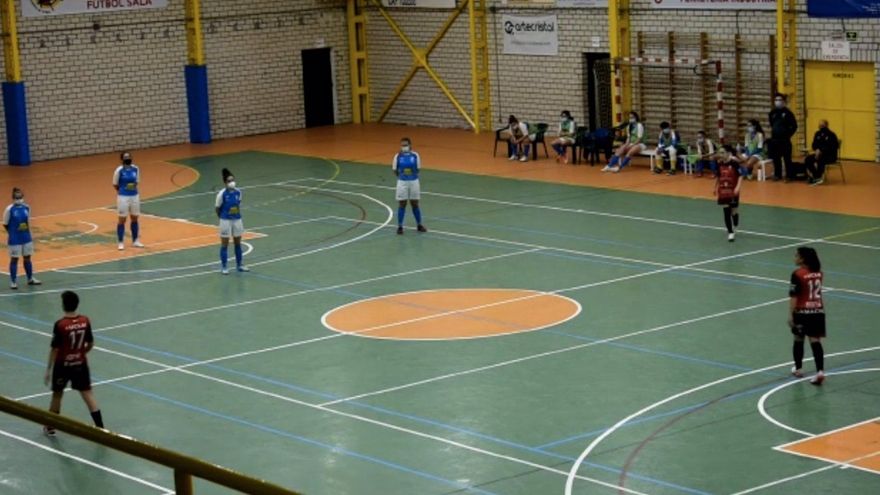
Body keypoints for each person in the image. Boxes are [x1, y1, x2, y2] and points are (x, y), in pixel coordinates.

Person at [43, 291, 104, 436]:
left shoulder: (60, 324)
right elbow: (90, 343)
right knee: (88, 394)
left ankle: (51, 426)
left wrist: (48, 369)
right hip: (80, 364)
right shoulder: (85, 320)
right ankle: (101, 428)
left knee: (57, 395)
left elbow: (55, 349)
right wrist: (81, 353)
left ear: (63, 305)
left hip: (62, 365)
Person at [789, 247, 826, 385]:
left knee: (798, 338)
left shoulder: (798, 274)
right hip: (818, 310)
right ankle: (820, 371)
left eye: (796, 255)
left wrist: (791, 315)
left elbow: (794, 296)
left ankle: (798, 369)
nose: (794, 258)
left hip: (802, 311)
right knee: (815, 341)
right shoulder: (818, 273)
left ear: (802, 258)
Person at [3, 187, 40, 290]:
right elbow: (5, 223)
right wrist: (12, 233)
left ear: (23, 197)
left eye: (20, 197)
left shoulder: (27, 208)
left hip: (26, 237)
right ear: (13, 198)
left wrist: (28, 233)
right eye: (16, 197)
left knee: (27, 257)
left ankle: (30, 279)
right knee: (14, 259)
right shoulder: (9, 209)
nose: (18, 199)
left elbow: (27, 221)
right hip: (15, 239)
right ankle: (13, 282)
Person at [215, 168, 249, 275]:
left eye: (233, 180)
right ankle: (224, 266)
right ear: (225, 182)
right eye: (229, 181)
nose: (232, 182)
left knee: (237, 243)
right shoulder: (221, 194)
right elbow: (217, 208)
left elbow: (238, 204)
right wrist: (223, 218)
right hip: (225, 221)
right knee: (224, 244)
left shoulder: (238, 192)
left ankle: (239, 265)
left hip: (237, 219)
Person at [392, 137, 427, 235]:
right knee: (402, 203)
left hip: (414, 182)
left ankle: (419, 225)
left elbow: (418, 168)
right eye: (402, 145)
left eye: (406, 145)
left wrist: (411, 176)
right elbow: (395, 169)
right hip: (402, 182)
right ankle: (400, 226)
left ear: (410, 145)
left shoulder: (415, 155)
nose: (404, 147)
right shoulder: (397, 156)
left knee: (415, 203)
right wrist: (402, 177)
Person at [112, 151, 144, 250]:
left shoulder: (136, 168)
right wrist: (122, 191)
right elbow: (115, 184)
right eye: (126, 158)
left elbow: (137, 182)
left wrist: (131, 188)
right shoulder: (119, 170)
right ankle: (120, 242)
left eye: (129, 157)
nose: (128, 159)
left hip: (134, 196)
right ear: (122, 160)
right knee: (122, 219)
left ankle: (135, 241)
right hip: (123, 197)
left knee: (135, 217)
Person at [713, 145, 743, 242]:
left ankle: (735, 223)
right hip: (723, 190)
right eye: (719, 153)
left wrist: (738, 187)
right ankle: (730, 232)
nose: (720, 155)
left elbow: (741, 176)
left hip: (733, 190)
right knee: (726, 211)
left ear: (728, 153)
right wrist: (714, 187)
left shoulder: (734, 163)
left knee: (734, 211)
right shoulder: (719, 164)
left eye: (722, 153)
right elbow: (718, 176)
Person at [767, 93, 798, 181]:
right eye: (776, 100)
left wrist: (788, 134)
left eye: (779, 100)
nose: (777, 102)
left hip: (785, 140)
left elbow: (794, 126)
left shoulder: (788, 113)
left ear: (784, 102)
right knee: (776, 158)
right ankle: (777, 175)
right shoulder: (772, 113)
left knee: (787, 158)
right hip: (775, 140)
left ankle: (789, 176)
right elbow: (772, 123)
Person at [805, 120, 839, 186]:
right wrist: (817, 149)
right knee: (808, 159)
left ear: (826, 126)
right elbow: (814, 144)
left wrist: (821, 151)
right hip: (818, 153)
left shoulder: (832, 135)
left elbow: (833, 147)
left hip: (830, 155)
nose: (821, 127)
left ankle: (818, 177)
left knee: (821, 159)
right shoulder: (817, 134)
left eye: (822, 126)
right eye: (819, 126)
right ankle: (816, 175)